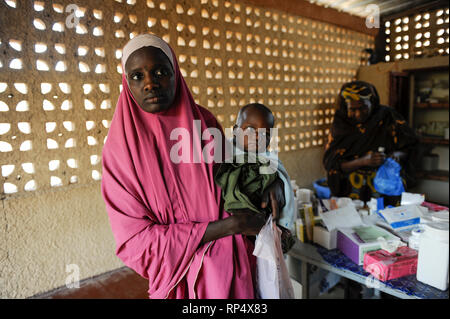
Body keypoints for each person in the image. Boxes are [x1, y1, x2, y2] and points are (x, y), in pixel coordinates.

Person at [101, 34, 285, 299]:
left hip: (232, 271)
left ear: (176, 73)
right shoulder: (120, 153)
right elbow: (135, 244)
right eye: (137, 76)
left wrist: (271, 183)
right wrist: (228, 227)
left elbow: (237, 177)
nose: (151, 83)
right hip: (178, 281)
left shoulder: (205, 124)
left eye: (161, 72)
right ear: (126, 82)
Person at [214, 103, 296, 253]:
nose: (258, 137)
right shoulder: (223, 153)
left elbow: (285, 185)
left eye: (265, 134)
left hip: (261, 224)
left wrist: (285, 224)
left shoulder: (269, 158)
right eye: (250, 129)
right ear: (235, 130)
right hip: (230, 232)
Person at [323, 81, 418, 206]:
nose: (358, 114)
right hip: (349, 191)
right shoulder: (341, 124)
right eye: (352, 109)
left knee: (383, 220)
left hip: (383, 187)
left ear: (372, 103)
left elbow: (410, 146)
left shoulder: (387, 117)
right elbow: (332, 164)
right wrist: (363, 161)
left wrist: (396, 155)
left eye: (363, 108)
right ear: (345, 107)